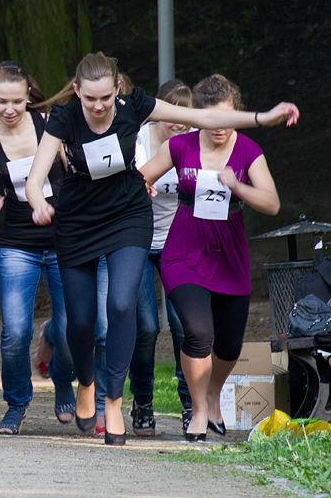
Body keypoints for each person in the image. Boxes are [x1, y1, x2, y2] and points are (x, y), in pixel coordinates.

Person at [25, 52, 298, 446]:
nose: (99, 106)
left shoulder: (134, 106)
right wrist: (38, 202)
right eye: (90, 99)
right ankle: (86, 381)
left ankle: (114, 400)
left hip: (127, 215)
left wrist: (261, 118)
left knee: (121, 304)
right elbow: (36, 178)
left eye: (105, 97)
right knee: (81, 321)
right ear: (77, 92)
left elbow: (204, 118)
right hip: (78, 222)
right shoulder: (65, 119)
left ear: (117, 88)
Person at [140, 74, 289, 441]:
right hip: (184, 251)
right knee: (197, 332)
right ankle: (199, 410)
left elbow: (272, 203)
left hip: (229, 254)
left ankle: (213, 392)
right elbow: (141, 176)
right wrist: (143, 184)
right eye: (211, 118)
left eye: (227, 118)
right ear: (198, 117)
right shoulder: (181, 147)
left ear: (236, 114)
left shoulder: (248, 151)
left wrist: (238, 186)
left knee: (228, 344)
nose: (219, 127)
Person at [0, 61, 74, 434]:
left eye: (17, 100)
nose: (10, 109)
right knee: (14, 332)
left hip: (63, 240)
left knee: (69, 329)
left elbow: (76, 176)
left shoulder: (50, 125)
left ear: (27, 97)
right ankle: (17, 404)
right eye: (2, 101)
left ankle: (63, 378)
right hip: (17, 244)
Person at [130, 80, 194, 435]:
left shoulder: (196, 139)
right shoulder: (139, 140)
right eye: (174, 114)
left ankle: (189, 404)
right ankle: (142, 402)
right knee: (146, 328)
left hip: (177, 241)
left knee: (183, 325)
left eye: (186, 115)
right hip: (137, 240)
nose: (181, 123)